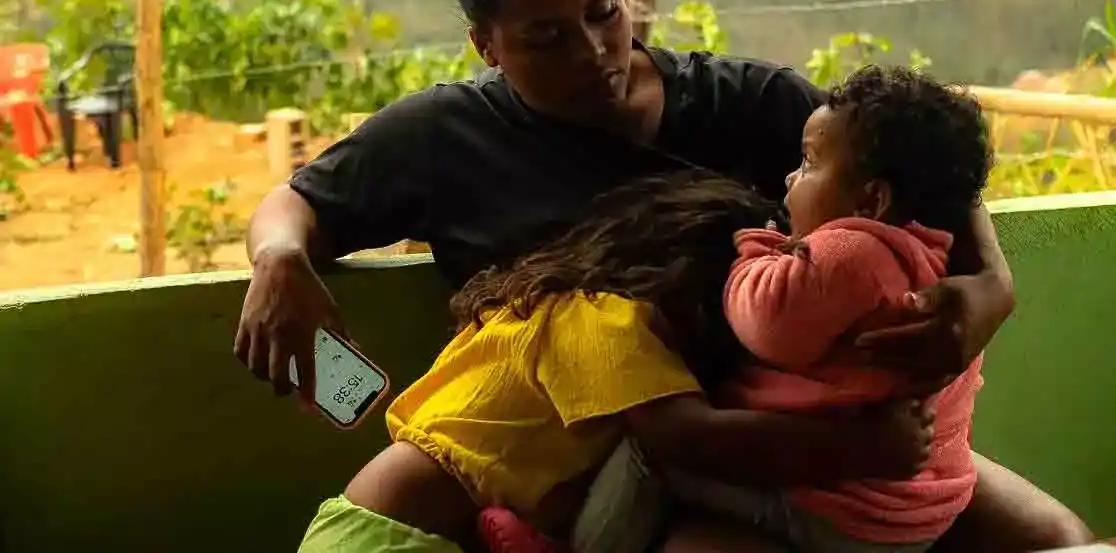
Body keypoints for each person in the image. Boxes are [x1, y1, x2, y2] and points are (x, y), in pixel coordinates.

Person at [235, 0, 1092, 552]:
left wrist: (990, 289)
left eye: (603, 12)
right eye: (546, 37)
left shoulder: (752, 104)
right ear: (485, 45)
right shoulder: (442, 137)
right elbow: (296, 204)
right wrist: (279, 261)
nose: (593, 49)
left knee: (1059, 539)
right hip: (656, 464)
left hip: (826, 434)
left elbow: (920, 163)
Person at [297, 171, 936, 552]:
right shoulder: (603, 319)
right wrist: (860, 449)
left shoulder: (560, 306)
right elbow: (685, 439)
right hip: (390, 539)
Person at [657, 65, 992, 553]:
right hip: (915, 508)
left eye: (810, 163)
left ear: (871, 199)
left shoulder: (852, 253)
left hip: (840, 507)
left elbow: (765, 323)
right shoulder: (936, 258)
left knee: (653, 465)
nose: (791, 177)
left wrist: (757, 250)